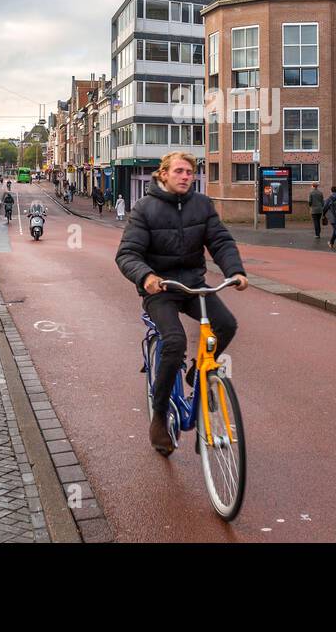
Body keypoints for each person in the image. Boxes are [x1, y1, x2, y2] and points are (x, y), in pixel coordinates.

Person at [115, 151, 249, 456]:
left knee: (226, 325)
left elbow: (220, 241)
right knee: (173, 341)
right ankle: (159, 416)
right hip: (159, 288)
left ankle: (196, 373)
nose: (185, 177)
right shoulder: (144, 209)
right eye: (179, 171)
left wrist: (235, 271)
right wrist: (146, 276)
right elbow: (127, 255)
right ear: (163, 174)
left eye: (189, 172)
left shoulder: (202, 205)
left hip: (192, 284)